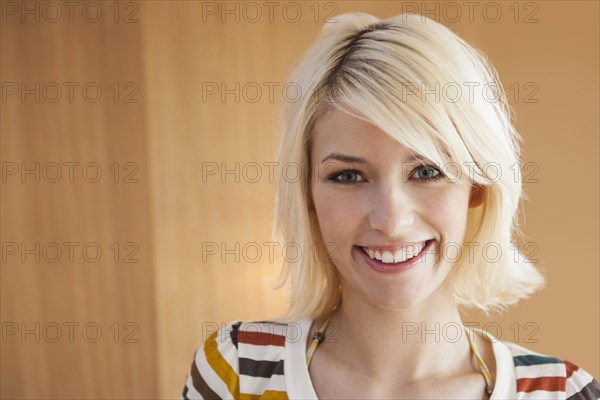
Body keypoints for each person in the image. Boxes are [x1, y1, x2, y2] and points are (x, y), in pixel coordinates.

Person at [182, 12, 600, 399]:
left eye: (427, 171)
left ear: (478, 185)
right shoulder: (238, 372)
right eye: (347, 176)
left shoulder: (564, 392)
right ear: (306, 194)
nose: (392, 221)